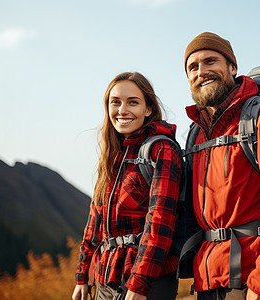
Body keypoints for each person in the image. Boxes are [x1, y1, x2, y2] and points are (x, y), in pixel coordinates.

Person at [183, 32, 260, 300]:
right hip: (208, 279)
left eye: (210, 61)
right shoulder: (197, 133)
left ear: (232, 67)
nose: (201, 72)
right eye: (193, 67)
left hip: (250, 279)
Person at [72, 72, 181, 300]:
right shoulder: (113, 154)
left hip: (149, 280)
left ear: (148, 109)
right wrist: (82, 274)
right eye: (116, 102)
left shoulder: (162, 150)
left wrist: (140, 284)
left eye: (133, 102)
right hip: (106, 277)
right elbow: (95, 220)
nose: (122, 110)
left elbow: (161, 222)